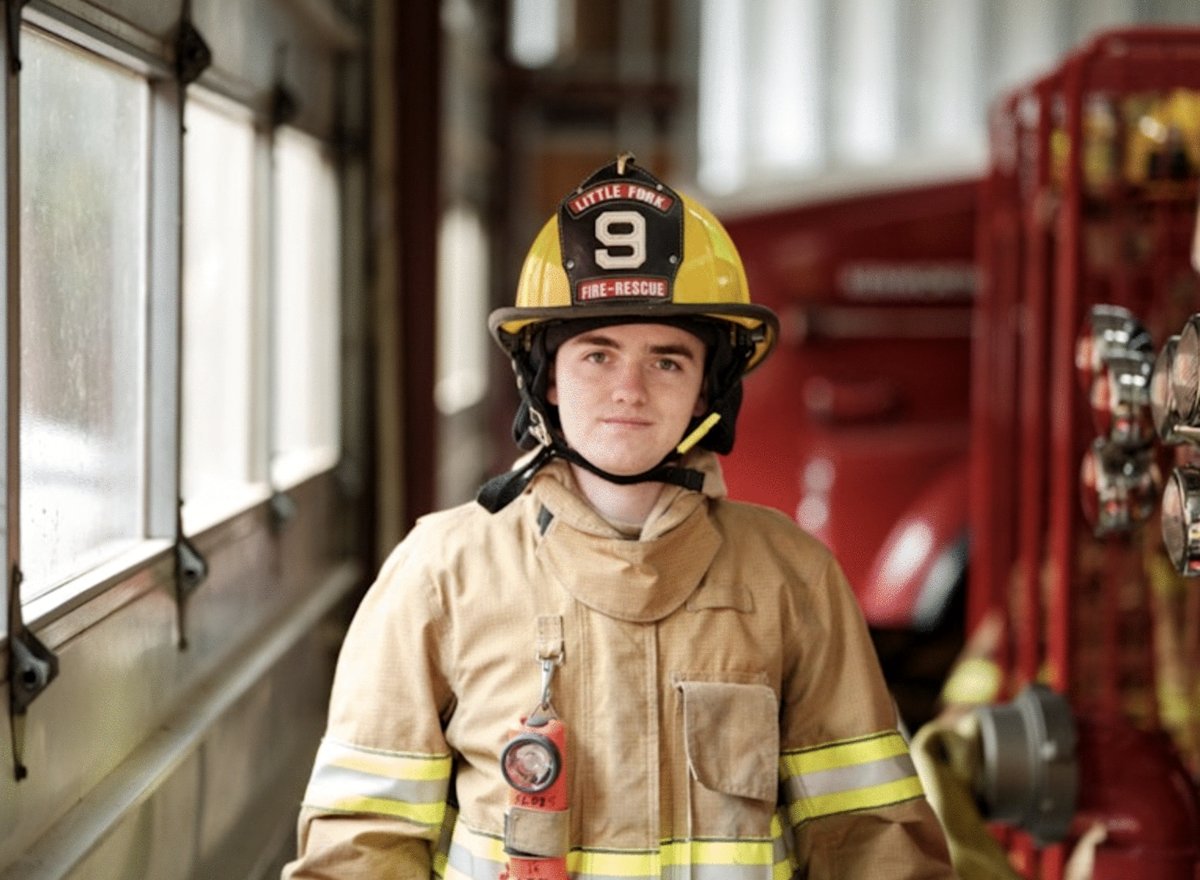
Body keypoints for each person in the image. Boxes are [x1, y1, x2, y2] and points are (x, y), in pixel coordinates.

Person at [282, 155, 956, 879]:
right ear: (544, 376)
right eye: (597, 356)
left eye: (667, 361)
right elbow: (361, 848)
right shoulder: (440, 575)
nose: (628, 390)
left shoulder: (793, 579)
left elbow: (872, 841)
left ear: (709, 389)